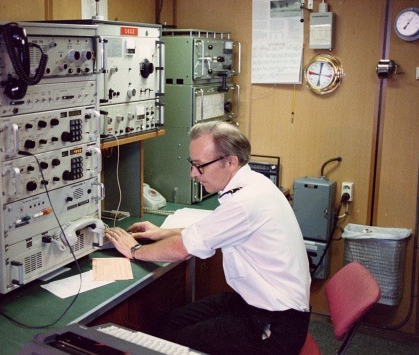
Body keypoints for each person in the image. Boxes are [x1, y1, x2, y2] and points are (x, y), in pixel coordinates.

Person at [105, 120, 311, 354]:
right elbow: (212, 229)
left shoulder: (245, 203)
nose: (193, 174)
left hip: (277, 324)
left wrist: (134, 250)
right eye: (192, 164)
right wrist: (165, 232)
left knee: (165, 345)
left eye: (200, 165)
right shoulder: (253, 184)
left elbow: (182, 250)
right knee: (164, 325)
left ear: (230, 161)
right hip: (254, 304)